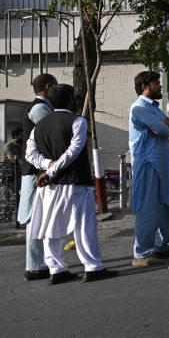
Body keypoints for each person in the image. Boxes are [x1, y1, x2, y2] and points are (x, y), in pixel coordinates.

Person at [25, 84, 117, 284]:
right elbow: (73, 152)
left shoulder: (39, 126)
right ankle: (93, 267)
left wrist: (47, 167)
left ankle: (56, 270)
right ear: (70, 101)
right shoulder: (78, 121)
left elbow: (30, 154)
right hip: (74, 182)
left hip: (48, 185)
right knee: (84, 225)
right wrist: (52, 168)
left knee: (51, 227)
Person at [128, 71, 169, 267]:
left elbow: (167, 127)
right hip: (148, 165)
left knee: (165, 205)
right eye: (156, 83)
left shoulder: (154, 108)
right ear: (144, 87)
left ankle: (160, 245)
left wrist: (163, 126)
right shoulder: (139, 108)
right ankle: (140, 253)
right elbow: (166, 129)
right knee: (148, 208)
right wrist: (163, 126)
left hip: (161, 164)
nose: (160, 86)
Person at [19, 73, 57, 281]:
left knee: (39, 218)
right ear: (48, 86)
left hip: (37, 171)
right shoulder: (40, 109)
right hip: (35, 172)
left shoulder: (42, 108)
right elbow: (54, 133)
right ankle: (35, 266)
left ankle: (41, 262)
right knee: (34, 219)